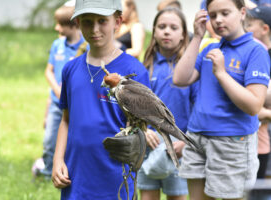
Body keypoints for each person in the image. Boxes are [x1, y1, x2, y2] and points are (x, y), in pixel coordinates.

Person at [51, 0, 150, 199]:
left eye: (102, 21)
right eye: (87, 21)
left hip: (116, 179)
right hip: (76, 177)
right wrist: (57, 160)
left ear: (117, 21)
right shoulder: (70, 69)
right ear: (77, 23)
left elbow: (142, 128)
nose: (95, 29)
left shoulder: (134, 71)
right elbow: (66, 119)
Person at [173, 0, 270, 199]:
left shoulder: (256, 50)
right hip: (197, 137)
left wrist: (222, 74)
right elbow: (180, 79)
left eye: (225, 13)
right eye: (213, 15)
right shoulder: (211, 48)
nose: (218, 20)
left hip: (231, 142)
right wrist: (197, 37)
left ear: (242, 12)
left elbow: (253, 106)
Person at [137, 7, 198, 200]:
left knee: (177, 196)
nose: (166, 31)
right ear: (154, 31)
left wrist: (186, 140)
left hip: (178, 148)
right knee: (147, 196)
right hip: (148, 145)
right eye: (161, 26)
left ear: (183, 35)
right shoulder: (145, 68)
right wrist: (143, 130)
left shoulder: (190, 70)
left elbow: (198, 108)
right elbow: (136, 107)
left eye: (173, 27)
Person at [31, 3, 85, 179]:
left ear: (74, 24)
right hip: (56, 103)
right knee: (49, 141)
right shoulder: (57, 45)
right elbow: (49, 70)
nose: (56, 28)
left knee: (75, 142)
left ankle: (71, 172)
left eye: (61, 24)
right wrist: (56, 89)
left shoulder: (86, 47)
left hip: (77, 106)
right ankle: (48, 172)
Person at [246, 5, 271, 179]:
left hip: (262, 142)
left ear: (264, 29)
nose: (245, 29)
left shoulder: (262, 56)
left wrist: (261, 109)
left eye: (250, 25)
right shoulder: (248, 54)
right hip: (245, 141)